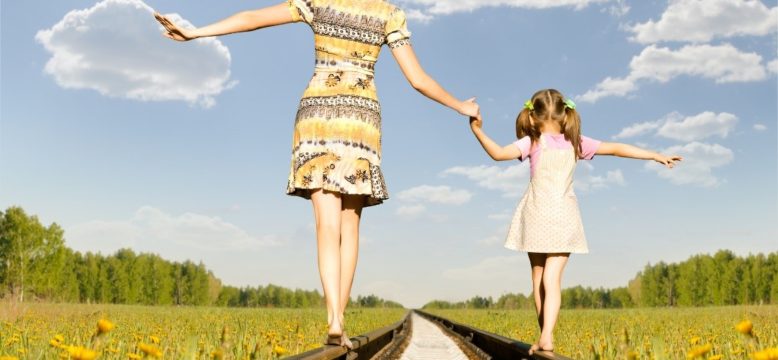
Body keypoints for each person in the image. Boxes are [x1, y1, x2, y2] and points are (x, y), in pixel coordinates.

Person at [154, 0, 480, 348]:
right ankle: (339, 315)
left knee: (326, 224)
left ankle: (334, 320)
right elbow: (418, 80)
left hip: (317, 115)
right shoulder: (388, 14)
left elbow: (253, 19)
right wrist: (461, 105)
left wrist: (197, 32)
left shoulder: (320, 2)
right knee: (350, 225)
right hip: (359, 121)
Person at [468, 89, 681, 354]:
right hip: (563, 216)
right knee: (553, 278)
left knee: (538, 278)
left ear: (532, 118)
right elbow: (616, 148)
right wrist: (654, 155)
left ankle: (545, 334)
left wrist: (477, 129)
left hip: (536, 213)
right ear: (564, 114)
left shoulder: (531, 142)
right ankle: (547, 336)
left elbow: (498, 153)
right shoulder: (575, 142)